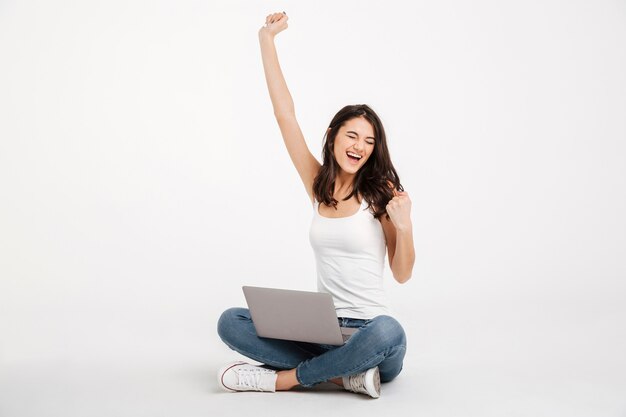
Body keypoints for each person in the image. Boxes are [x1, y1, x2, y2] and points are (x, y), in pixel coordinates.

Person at [216, 11, 415, 398]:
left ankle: (284, 379)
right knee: (231, 321)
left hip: (373, 337)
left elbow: (403, 274)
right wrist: (266, 40)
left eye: (369, 141)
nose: (359, 146)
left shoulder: (382, 193)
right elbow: (284, 115)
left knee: (391, 330)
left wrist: (404, 227)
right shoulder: (318, 184)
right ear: (333, 136)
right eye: (352, 135)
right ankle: (344, 377)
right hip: (323, 334)